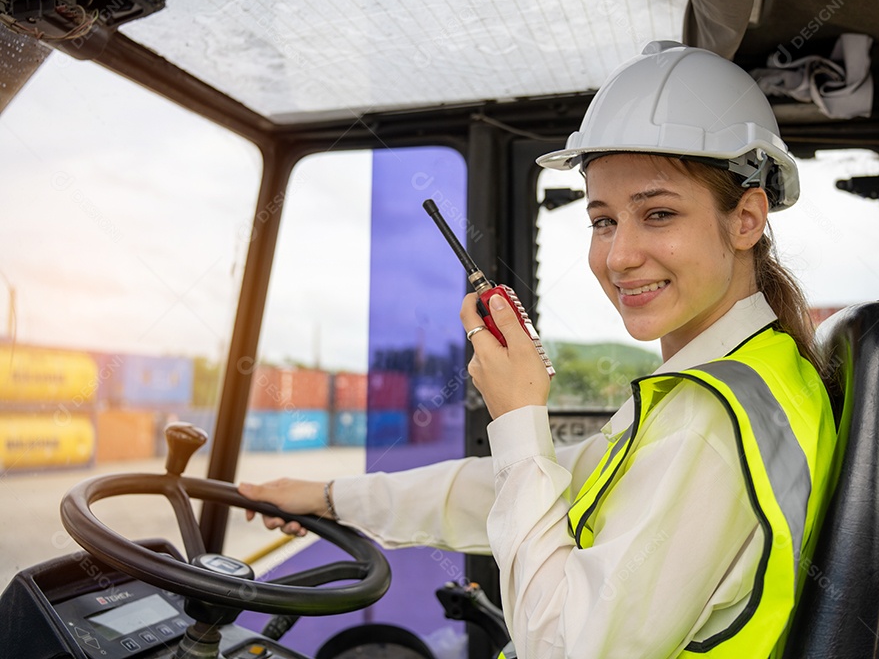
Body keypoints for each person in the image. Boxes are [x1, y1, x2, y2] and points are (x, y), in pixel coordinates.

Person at [240, 41, 837, 659]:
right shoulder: (752, 378)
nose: (618, 256)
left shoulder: (709, 421)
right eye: (603, 220)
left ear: (746, 219)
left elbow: (558, 649)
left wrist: (518, 414)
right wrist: (332, 497)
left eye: (657, 213)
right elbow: (531, 489)